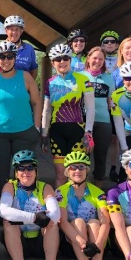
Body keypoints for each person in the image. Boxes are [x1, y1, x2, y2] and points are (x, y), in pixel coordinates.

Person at [0, 41, 42, 193]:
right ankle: (0, 207)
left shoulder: (26, 77)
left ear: (15, 58)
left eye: (9, 57)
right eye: (2, 57)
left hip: (24, 132)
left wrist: (37, 127)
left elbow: (36, 103)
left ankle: (22, 205)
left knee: (24, 172)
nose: (6, 60)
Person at [0, 150, 60, 260]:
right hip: (19, 242)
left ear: (36, 170)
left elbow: (55, 214)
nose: (26, 172)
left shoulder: (45, 187)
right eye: (21, 168)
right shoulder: (10, 186)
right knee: (8, 223)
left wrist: (40, 219)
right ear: (16, 172)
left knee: (53, 224)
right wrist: (35, 217)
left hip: (41, 241)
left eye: (30, 168)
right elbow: (3, 210)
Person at [56, 151, 110, 260]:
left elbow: (105, 221)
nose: (77, 171)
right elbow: (63, 222)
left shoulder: (97, 193)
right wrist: (81, 241)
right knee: (78, 221)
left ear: (87, 170)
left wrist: (98, 244)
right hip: (73, 241)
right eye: (73, 168)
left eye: (81, 167)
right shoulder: (61, 192)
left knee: (94, 223)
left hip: (95, 243)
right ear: (67, 171)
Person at [41, 44, 95, 188]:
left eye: (65, 58)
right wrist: (44, 134)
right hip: (57, 131)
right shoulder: (50, 83)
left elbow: (90, 108)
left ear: (70, 60)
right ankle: (61, 205)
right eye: (58, 59)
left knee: (78, 172)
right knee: (60, 174)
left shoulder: (83, 79)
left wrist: (88, 132)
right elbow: (47, 110)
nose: (62, 62)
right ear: (53, 63)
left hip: (78, 130)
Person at [82, 46, 116, 188]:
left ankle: (98, 189)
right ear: (88, 58)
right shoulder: (80, 76)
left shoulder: (108, 78)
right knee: (84, 157)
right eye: (94, 58)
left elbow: (111, 101)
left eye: (101, 59)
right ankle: (83, 187)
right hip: (83, 122)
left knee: (101, 157)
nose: (97, 61)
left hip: (103, 122)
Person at [100, 30, 122, 183]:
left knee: (116, 139)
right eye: (106, 41)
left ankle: (114, 168)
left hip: (118, 104)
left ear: (117, 44)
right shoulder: (97, 59)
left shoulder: (122, 61)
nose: (109, 44)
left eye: (112, 41)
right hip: (100, 104)